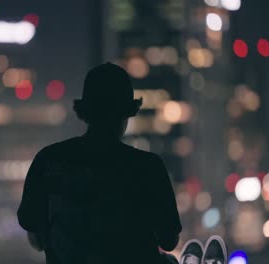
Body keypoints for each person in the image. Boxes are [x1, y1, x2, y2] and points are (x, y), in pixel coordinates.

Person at [17, 62, 226, 264]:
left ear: (85, 112)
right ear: (127, 114)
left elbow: (36, 240)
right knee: (169, 259)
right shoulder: (148, 167)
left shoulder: (47, 160)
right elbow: (169, 241)